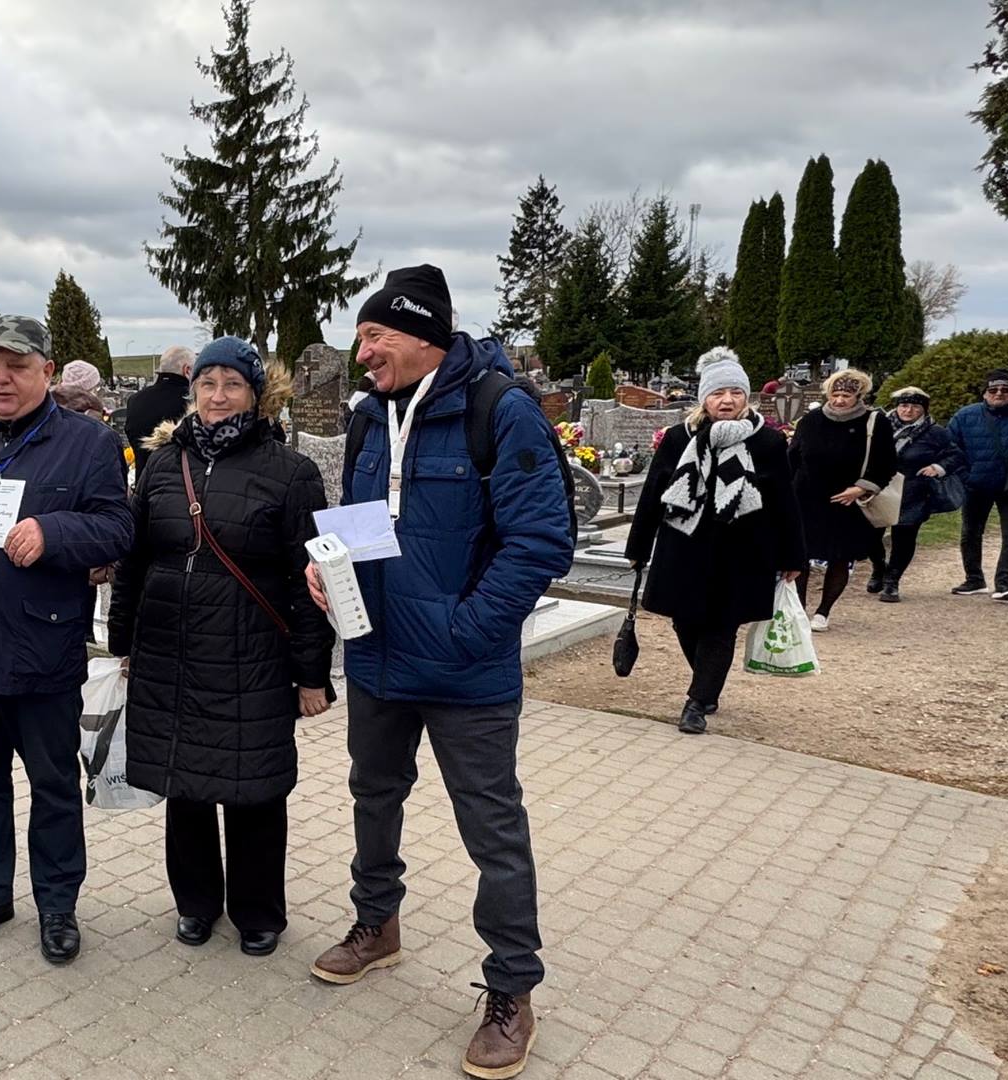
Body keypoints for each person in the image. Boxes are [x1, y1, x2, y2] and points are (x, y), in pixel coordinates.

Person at [303, 266, 571, 1080]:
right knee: (372, 797)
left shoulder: (501, 411)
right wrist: (330, 569)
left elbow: (540, 542)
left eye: (375, 336)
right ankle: (376, 925)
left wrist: (466, 632)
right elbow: (362, 520)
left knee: (492, 828)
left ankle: (511, 989)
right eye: (360, 337)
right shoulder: (368, 417)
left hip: (465, 672)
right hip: (377, 656)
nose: (361, 353)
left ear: (423, 335)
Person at [106, 337, 333, 958]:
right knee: (185, 784)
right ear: (193, 390)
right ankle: (196, 902)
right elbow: (134, 560)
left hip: (250, 654)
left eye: (232, 384)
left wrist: (312, 673)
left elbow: (310, 581)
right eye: (207, 383)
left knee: (254, 785)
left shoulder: (291, 473)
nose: (218, 396)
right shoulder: (162, 465)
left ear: (256, 395)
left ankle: (258, 911)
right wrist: (122, 641)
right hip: (170, 650)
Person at [0, 314, 135, 966]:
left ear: (47, 371)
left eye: (16, 366)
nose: (1, 378)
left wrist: (53, 532)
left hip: (42, 652)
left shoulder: (88, 444)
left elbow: (118, 529)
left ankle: (57, 905)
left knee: (52, 787)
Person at [625, 348, 805, 734]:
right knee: (685, 623)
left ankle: (697, 701)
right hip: (684, 548)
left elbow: (784, 502)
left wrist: (793, 555)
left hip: (744, 551)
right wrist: (638, 547)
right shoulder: (679, 439)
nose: (727, 400)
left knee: (722, 626)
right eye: (718, 393)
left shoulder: (768, 442)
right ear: (704, 398)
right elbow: (654, 492)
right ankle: (707, 682)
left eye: (736, 393)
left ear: (746, 397)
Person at [788, 368, 896, 631]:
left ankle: (823, 611)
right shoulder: (810, 420)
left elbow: (886, 463)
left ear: (858, 396)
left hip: (846, 502)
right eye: (835, 395)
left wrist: (861, 488)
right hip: (807, 499)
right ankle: (799, 611)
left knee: (840, 556)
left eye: (846, 396)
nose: (839, 400)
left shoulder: (875, 422)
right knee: (800, 556)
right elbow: (792, 458)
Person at [868, 386, 966, 602]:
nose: (908, 410)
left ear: (924, 409)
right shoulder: (879, 425)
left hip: (913, 490)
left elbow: (955, 455)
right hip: (878, 489)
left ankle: (892, 581)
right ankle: (879, 567)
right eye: (904, 405)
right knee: (869, 536)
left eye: (915, 407)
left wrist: (937, 467)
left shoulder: (935, 432)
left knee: (904, 537)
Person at [947, 368, 1008, 600]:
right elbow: (951, 448)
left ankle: (1005, 583)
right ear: (984, 393)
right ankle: (974, 579)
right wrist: (966, 476)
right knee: (970, 533)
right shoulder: (965, 416)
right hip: (976, 484)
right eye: (993, 390)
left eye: (1005, 389)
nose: (999, 393)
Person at [121, 345, 194, 478]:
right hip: (179, 480)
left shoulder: (135, 400)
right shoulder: (191, 400)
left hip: (143, 479)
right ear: (187, 370)